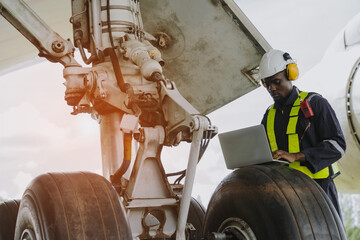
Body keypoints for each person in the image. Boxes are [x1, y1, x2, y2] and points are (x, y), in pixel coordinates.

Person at [259, 49, 346, 219]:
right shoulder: (269, 115)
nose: (272, 88)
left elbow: (338, 146)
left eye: (276, 82)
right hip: (285, 194)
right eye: (267, 84)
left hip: (319, 190)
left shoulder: (316, 103)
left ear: (291, 74)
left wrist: (298, 156)